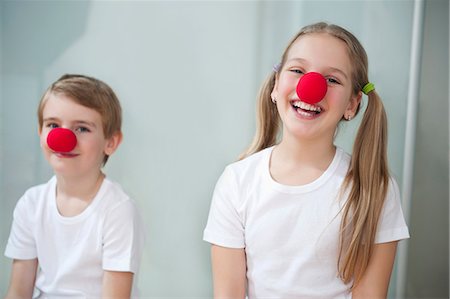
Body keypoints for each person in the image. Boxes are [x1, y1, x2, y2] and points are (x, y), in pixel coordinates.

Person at [203, 22, 410, 298]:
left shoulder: (374, 189)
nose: (311, 87)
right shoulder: (237, 181)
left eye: (333, 80)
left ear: (352, 104)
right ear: (276, 87)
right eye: (298, 71)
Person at [4, 74, 145, 299]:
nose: (63, 137)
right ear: (41, 133)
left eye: (82, 128)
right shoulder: (31, 204)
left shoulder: (118, 210)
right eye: (53, 125)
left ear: (111, 142)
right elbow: (18, 292)